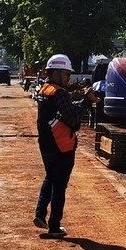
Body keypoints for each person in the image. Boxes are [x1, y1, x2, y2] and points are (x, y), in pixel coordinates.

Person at [34, 54, 97, 239]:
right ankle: (54, 225)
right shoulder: (59, 93)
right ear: (58, 73)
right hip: (62, 146)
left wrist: (82, 101)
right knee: (59, 186)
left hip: (46, 145)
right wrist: (86, 101)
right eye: (67, 75)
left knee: (50, 178)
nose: (69, 78)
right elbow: (71, 118)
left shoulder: (45, 91)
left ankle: (39, 213)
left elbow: (64, 110)